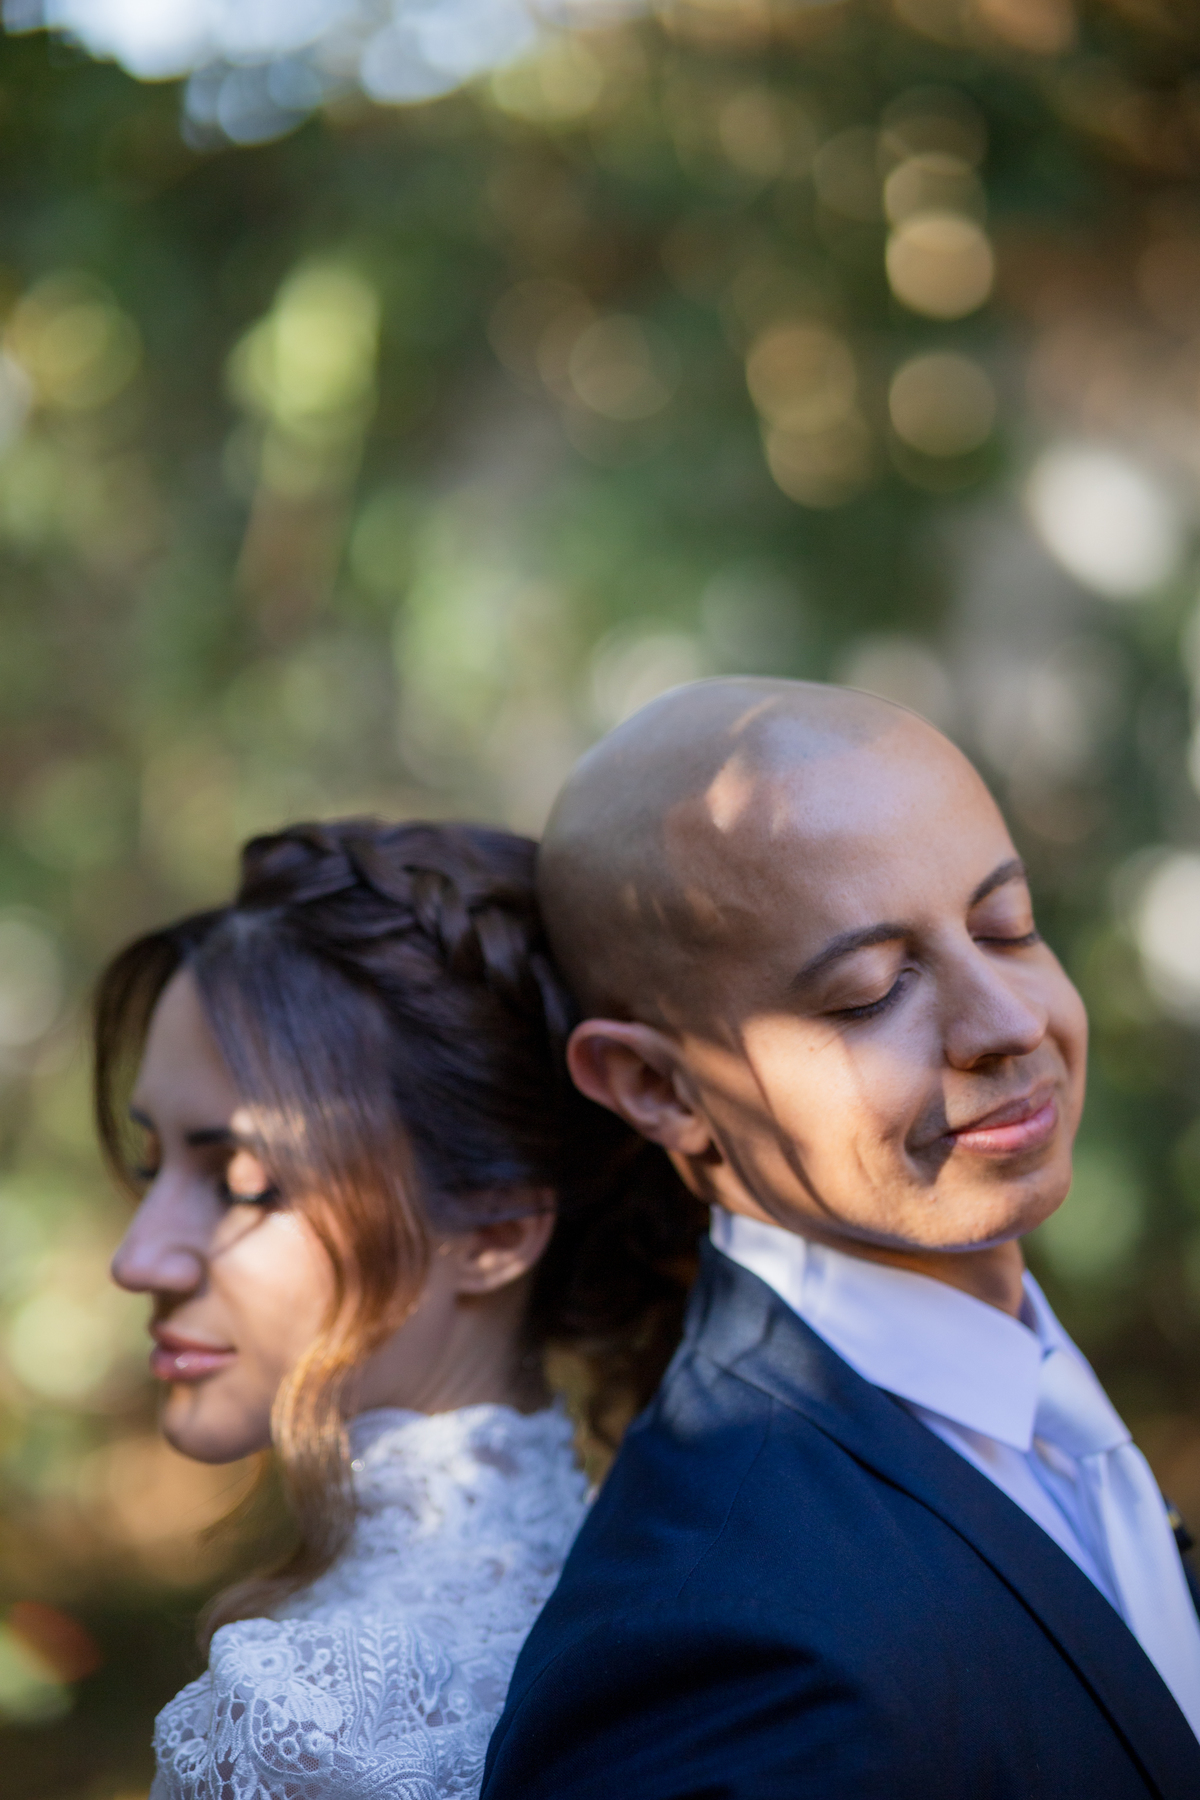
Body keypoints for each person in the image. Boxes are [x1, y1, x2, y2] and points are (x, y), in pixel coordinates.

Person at [481, 678, 1200, 1800]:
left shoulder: (1030, 1386)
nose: (1010, 1022)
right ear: (657, 1085)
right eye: (869, 992)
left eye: (1006, 927)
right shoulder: (720, 1659)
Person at [97, 817, 702, 1800]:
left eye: (242, 1180)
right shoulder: (666, 1598)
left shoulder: (301, 1720)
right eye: (150, 1164)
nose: (136, 1259)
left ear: (496, 1232)